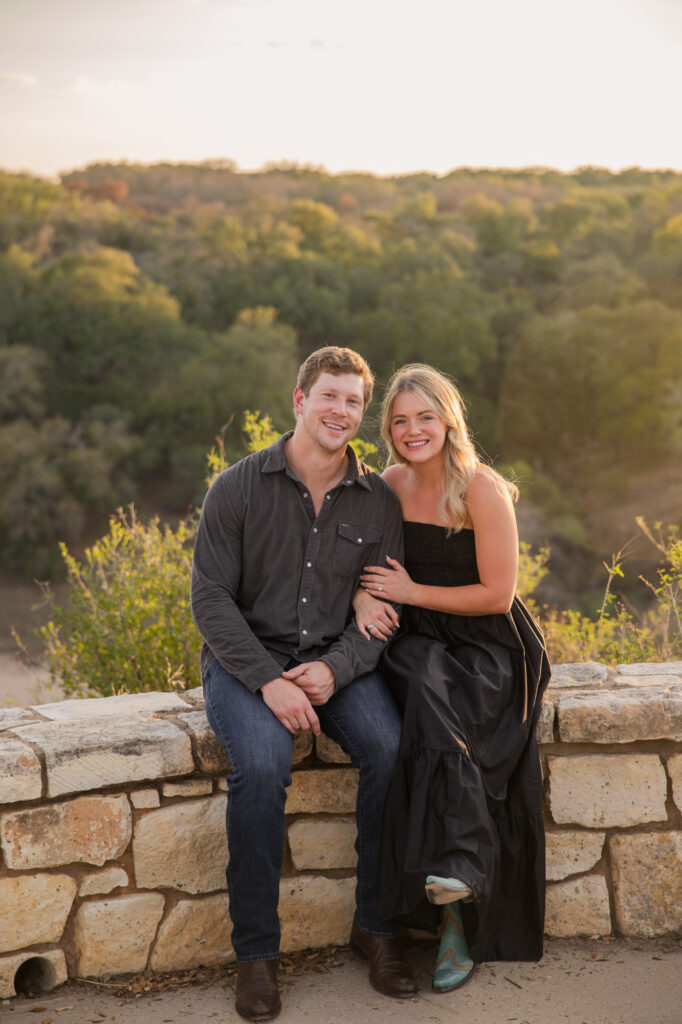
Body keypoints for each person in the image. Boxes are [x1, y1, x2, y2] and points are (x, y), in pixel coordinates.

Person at [190, 347, 417, 1022]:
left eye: (353, 401)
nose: (340, 411)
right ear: (299, 399)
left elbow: (382, 609)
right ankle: (256, 956)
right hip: (244, 663)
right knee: (261, 767)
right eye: (329, 396)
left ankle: (376, 929)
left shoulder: (378, 501)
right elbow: (210, 600)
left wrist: (334, 668)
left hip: (334, 664)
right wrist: (270, 682)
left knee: (390, 749)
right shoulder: (236, 487)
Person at [353, 363, 550, 994]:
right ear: (389, 428)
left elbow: (497, 595)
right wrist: (365, 598)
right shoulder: (385, 486)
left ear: (448, 420)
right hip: (418, 641)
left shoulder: (482, 489)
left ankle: (457, 911)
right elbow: (359, 567)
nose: (414, 430)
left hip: (489, 645)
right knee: (424, 680)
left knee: (438, 698)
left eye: (425, 417)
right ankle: (456, 879)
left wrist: (411, 588)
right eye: (401, 420)